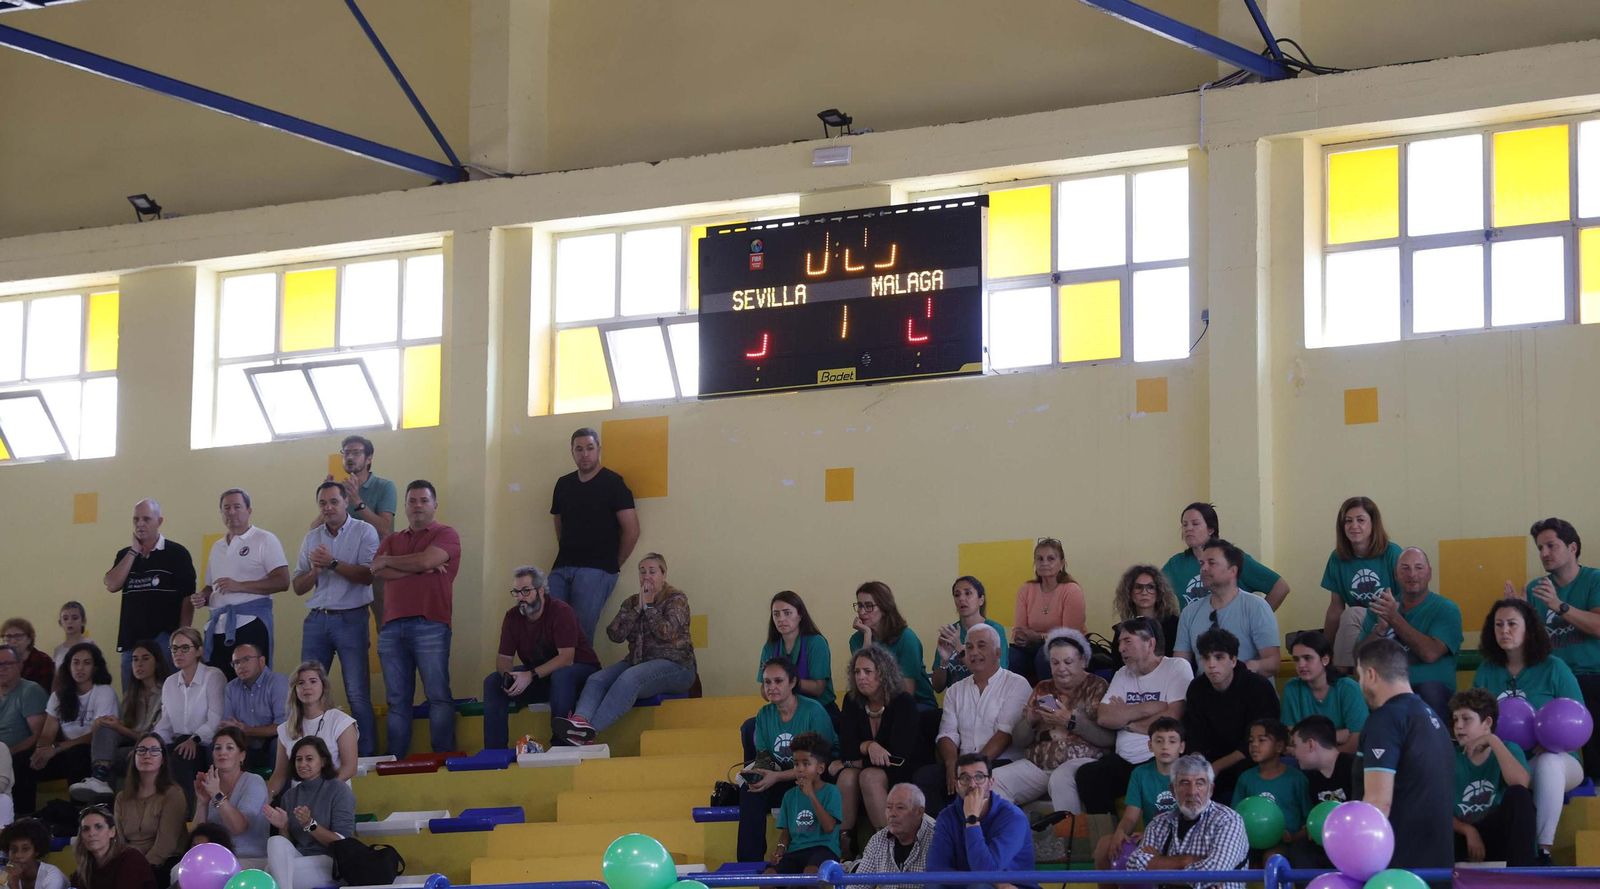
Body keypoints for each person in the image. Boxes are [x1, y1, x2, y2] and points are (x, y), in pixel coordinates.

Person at [1470, 597, 1582, 863]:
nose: (1504, 630)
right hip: (1505, 759)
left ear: (1529, 629)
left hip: (1558, 757)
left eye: (1512, 624)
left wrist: (1555, 741)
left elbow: (1578, 719)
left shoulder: (1555, 667)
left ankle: (1542, 850)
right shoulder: (1487, 670)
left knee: (1549, 763)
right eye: (1498, 625)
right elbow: (1474, 718)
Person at [556, 553, 696, 746]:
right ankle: (580, 722)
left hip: (677, 667)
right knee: (597, 679)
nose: (646, 576)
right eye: (642, 571)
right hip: (638, 661)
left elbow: (667, 632)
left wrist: (649, 606)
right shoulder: (632, 602)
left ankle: (589, 731)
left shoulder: (676, 599)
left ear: (663, 575)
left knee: (630, 678)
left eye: (652, 571)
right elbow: (614, 634)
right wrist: (637, 609)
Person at [372, 480, 461, 756]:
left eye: (424, 500)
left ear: (435, 505)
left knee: (437, 696)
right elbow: (377, 569)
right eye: (412, 500)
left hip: (431, 623)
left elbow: (424, 561)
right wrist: (420, 565)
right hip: (391, 627)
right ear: (406, 506)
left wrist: (395, 562)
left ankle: (443, 758)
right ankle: (397, 761)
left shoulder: (447, 533)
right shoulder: (391, 539)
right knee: (397, 701)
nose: (418, 505)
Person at [291, 480, 379, 757]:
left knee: (357, 694)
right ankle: (313, 758)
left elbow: (369, 575)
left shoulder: (365, 531)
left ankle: (365, 758)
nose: (328, 508)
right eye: (322, 503)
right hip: (317, 620)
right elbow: (297, 586)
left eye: (333, 502)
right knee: (308, 693)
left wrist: (332, 563)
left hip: (352, 618)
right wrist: (315, 572)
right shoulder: (311, 537)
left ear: (346, 503)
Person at [1355, 637, 1454, 870]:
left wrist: (1357, 862)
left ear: (1370, 674)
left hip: (1399, 870)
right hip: (1438, 868)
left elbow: (1379, 803)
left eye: (1359, 676)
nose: (1359, 684)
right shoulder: (1433, 718)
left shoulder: (1385, 720)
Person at [1076, 617, 1191, 816]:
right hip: (1124, 760)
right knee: (1088, 776)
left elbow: (1172, 717)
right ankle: (1107, 839)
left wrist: (1126, 720)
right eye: (1120, 642)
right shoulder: (1123, 673)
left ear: (1150, 643)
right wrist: (1147, 708)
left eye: (1127, 641)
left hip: (1157, 757)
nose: (1120, 648)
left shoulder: (1175, 667)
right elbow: (1104, 717)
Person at [991, 630, 1113, 815]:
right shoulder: (1042, 687)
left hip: (1080, 762)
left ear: (1083, 661)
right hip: (1039, 764)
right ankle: (1009, 838)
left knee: (1061, 778)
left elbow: (1108, 738)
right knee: (994, 781)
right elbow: (1019, 740)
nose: (1061, 668)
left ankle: (1071, 840)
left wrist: (1070, 721)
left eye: (1068, 662)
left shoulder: (1097, 686)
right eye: (1055, 663)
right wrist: (1030, 720)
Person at [484, 565, 601, 750]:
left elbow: (566, 658)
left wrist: (529, 675)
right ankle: (494, 752)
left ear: (540, 591)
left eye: (525, 591)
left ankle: (561, 745)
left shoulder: (561, 611)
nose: (521, 597)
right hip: (542, 675)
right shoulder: (512, 617)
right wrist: (509, 677)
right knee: (493, 682)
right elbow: (503, 658)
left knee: (562, 675)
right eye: (516, 592)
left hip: (578, 673)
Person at [1518, 517, 1600, 778]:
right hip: (1549, 678)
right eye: (1540, 548)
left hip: (1591, 674)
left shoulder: (1594, 580)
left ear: (1572, 547)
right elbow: (1530, 647)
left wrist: (1559, 606)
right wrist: (1517, 617)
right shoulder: (1535, 589)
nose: (1544, 553)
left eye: (1551, 546)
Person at [919, 625, 1031, 815]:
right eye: (969, 647)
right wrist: (951, 763)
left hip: (999, 763)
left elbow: (1005, 735)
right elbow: (947, 733)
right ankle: (938, 838)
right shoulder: (955, 690)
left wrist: (971, 769)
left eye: (981, 646)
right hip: (962, 763)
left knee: (971, 784)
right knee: (925, 778)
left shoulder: (1016, 684)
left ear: (997, 652)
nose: (974, 652)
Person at [737, 657, 837, 863]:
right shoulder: (764, 714)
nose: (771, 687)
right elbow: (765, 757)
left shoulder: (813, 711)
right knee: (751, 791)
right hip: (783, 777)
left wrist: (776, 777)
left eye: (778, 681)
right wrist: (758, 774)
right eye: (767, 682)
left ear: (792, 683)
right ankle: (748, 863)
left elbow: (817, 764)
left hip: (816, 778)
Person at [549, 427, 641, 641]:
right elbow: (558, 521)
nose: (585, 454)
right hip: (562, 567)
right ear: (572, 452)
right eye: (579, 449)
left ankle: (579, 674)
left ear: (599, 449)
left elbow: (632, 530)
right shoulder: (563, 484)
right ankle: (553, 675)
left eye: (590, 448)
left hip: (597, 569)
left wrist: (613, 564)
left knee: (580, 635)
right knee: (550, 629)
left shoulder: (613, 483)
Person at [1355, 546, 1462, 718]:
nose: (1412, 574)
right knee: (1356, 691)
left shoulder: (1446, 609)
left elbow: (1430, 653)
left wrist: (1393, 618)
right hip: (1385, 690)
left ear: (1429, 573)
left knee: (1430, 691)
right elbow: (1360, 658)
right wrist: (1380, 630)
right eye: (1405, 568)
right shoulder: (1380, 606)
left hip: (1431, 692)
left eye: (1419, 568)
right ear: (1396, 575)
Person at [102, 499, 196, 694]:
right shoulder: (125, 555)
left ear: (159, 521)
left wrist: (182, 635)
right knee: (132, 700)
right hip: (131, 644)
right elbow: (112, 584)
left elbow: (188, 597)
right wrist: (134, 551)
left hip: (165, 640)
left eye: (146, 519)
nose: (140, 524)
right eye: (136, 519)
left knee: (168, 696)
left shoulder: (177, 553)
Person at [194, 490, 289, 681]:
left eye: (237, 506)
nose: (231, 512)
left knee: (251, 683)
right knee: (218, 683)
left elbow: (283, 581)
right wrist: (202, 597)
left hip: (250, 622)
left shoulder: (264, 539)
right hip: (218, 626)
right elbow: (211, 586)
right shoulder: (217, 547)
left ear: (249, 510)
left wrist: (240, 586)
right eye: (226, 508)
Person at [835, 645, 924, 846]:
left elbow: (898, 754)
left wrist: (855, 758)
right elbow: (846, 747)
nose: (861, 677)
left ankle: (890, 845)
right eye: (857, 672)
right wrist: (868, 746)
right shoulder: (851, 700)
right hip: (871, 766)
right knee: (847, 776)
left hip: (903, 770)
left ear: (883, 674)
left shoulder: (903, 702)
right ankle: (843, 845)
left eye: (868, 672)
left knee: (868, 776)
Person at [1181, 629, 1279, 803]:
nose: (1211, 664)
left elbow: (1260, 741)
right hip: (1211, 761)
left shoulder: (1258, 687)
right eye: (1206, 658)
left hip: (1251, 759)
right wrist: (1198, 763)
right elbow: (1195, 734)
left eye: (1218, 657)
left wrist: (1216, 767)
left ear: (1233, 660)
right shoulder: (1197, 688)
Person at [1123, 755, 1248, 889]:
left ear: (1210, 789)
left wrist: (1158, 863)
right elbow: (1133, 865)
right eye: (1184, 783)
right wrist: (1186, 861)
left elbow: (1214, 873)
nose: (1192, 791)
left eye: (1200, 783)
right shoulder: (1158, 823)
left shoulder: (1228, 820)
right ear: (1172, 790)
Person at [1449, 688, 1535, 866]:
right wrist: (1468, 830)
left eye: (1466, 719)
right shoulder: (1449, 756)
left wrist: (1493, 741)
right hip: (1463, 836)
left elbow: (1520, 783)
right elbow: (1436, 808)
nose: (1458, 726)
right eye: (1455, 719)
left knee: (1519, 796)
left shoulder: (1508, 748)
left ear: (1487, 722)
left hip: (1497, 833)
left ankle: (1523, 875)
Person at [320, 435, 398, 627]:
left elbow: (385, 529)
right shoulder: (339, 491)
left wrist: (357, 501)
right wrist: (328, 501)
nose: (350, 457)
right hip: (346, 568)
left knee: (387, 627)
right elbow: (314, 528)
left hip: (378, 567)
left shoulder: (384, 486)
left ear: (369, 458)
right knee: (351, 634)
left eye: (356, 452)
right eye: (346, 452)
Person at [925, 753, 1035, 889]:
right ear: (956, 784)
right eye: (964, 778)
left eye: (979, 777)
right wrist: (996, 882)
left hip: (1013, 886)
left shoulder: (1013, 817)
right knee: (933, 885)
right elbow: (935, 869)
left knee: (979, 886)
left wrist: (972, 820)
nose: (972, 784)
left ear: (991, 783)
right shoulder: (946, 816)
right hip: (978, 885)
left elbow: (986, 873)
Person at [1173, 540, 1279, 678]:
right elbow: (1180, 664)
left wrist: (1241, 670)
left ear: (1232, 570)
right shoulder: (1189, 613)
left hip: (1249, 692)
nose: (1204, 568)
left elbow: (1273, 662)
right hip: (1206, 695)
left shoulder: (1256, 607)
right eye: (1202, 563)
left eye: (1211, 563)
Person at [1094, 716, 1184, 875]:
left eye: (1172, 741)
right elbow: (1130, 817)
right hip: (1149, 838)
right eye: (1159, 741)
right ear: (1150, 745)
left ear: (1181, 747)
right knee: (1105, 845)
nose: (1165, 746)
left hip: (1181, 837)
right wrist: (1120, 832)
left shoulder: (1190, 773)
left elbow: (1192, 819)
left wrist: (1157, 835)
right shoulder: (1140, 774)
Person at [78, 639, 167, 800]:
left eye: (145, 659)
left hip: (156, 749)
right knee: (105, 731)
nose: (139, 664)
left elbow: (158, 737)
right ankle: (100, 781)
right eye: (135, 659)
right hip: (130, 747)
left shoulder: (166, 692)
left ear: (157, 663)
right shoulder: (131, 695)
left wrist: (120, 728)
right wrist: (105, 724)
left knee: (109, 756)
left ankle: (101, 783)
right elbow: (124, 733)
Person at [264, 737, 357, 889]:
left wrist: (310, 824)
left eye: (309, 759)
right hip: (300, 858)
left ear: (323, 761)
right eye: (298, 759)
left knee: (271, 873)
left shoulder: (339, 790)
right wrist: (284, 826)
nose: (302, 764)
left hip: (331, 861)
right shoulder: (290, 796)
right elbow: (288, 846)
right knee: (275, 842)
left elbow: (342, 842)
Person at [1322, 496, 1403, 668]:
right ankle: (1343, 673)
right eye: (1348, 521)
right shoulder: (1337, 558)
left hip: (1391, 620)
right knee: (1351, 616)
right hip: (1358, 625)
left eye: (1361, 520)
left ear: (1373, 523)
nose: (1354, 526)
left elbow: (1405, 601)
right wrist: (1325, 648)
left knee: (1352, 614)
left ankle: (1344, 673)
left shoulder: (1392, 553)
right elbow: (1335, 608)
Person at [1162, 503, 1290, 610]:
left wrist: (1256, 619)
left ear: (1211, 529)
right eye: (1184, 524)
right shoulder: (1176, 564)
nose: (1188, 529)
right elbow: (1153, 591)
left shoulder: (1232, 558)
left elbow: (1280, 587)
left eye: (1195, 524)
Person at [152, 627, 226, 812]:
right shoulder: (170, 682)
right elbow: (166, 722)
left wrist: (194, 739)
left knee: (181, 756)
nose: (178, 653)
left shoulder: (213, 676)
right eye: (174, 649)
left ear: (199, 650)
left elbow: (216, 719)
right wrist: (150, 744)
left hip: (205, 742)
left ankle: (186, 814)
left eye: (185, 648)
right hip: (179, 740)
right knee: (147, 756)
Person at [30, 643, 117, 796]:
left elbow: (98, 735)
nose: (80, 668)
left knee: (77, 753)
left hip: (93, 753)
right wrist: (41, 751)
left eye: (86, 663)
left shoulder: (104, 692)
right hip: (65, 751)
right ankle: (24, 816)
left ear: (95, 667)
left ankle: (80, 812)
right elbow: (47, 734)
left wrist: (57, 748)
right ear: (68, 666)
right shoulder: (58, 696)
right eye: (75, 662)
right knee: (24, 761)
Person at [268, 661, 357, 797]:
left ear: (323, 686)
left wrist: (319, 791)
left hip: (334, 797)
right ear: (294, 689)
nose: (307, 687)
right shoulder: (285, 729)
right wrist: (265, 799)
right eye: (301, 683)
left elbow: (349, 768)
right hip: (300, 801)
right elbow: (279, 774)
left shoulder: (341, 721)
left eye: (313, 681)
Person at [1284, 716, 1359, 870]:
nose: (1294, 753)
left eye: (1296, 745)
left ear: (1311, 744)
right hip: (1325, 843)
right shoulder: (1310, 778)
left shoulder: (1355, 768)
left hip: (1356, 841)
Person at [1008, 539, 1086, 684]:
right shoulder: (1026, 589)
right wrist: (1020, 636)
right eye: (1040, 559)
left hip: (1065, 646)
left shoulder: (1071, 590)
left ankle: (1050, 703)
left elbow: (1070, 635)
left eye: (1051, 558)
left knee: (1045, 656)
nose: (1044, 563)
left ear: (1061, 563)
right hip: (1031, 646)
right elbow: (1018, 629)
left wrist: (1039, 637)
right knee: (1010, 657)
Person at [113, 732, 187, 882]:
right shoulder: (121, 797)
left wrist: (137, 868)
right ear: (133, 757)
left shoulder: (173, 794)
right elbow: (119, 841)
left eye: (154, 750)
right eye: (141, 750)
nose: (147, 755)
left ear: (163, 760)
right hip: (130, 862)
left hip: (163, 862)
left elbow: (166, 845)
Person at [849, 583, 935, 709]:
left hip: (916, 704)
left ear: (884, 608)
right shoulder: (857, 640)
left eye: (869, 606)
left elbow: (907, 692)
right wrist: (867, 636)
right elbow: (864, 683)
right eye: (860, 606)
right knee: (851, 705)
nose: (862, 612)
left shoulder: (906, 638)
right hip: (876, 702)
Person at [766, 732, 842, 875]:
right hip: (796, 851)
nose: (800, 769)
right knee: (768, 877)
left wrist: (811, 795)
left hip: (823, 849)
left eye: (806, 764)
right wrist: (780, 850)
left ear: (820, 768)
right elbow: (786, 832)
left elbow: (829, 827)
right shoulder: (789, 796)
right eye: (796, 764)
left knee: (811, 873)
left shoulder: (832, 792)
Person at [1280, 631, 1366, 754]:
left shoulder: (1348, 688)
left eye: (1307, 658)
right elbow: (1291, 739)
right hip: (1304, 762)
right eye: (1296, 659)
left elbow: (1357, 740)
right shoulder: (1292, 688)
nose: (1301, 665)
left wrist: (1321, 755)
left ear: (1325, 659)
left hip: (1344, 760)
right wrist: (1337, 735)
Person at [1231, 719, 1308, 853]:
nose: (1254, 745)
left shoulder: (1297, 779)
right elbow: (1234, 817)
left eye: (1261, 740)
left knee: (1272, 858)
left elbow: (1309, 821)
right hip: (1248, 844)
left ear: (1279, 746)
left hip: (1285, 845)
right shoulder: (1245, 778)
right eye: (1251, 741)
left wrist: (1293, 837)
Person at [195, 726, 268, 864]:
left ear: (242, 755)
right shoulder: (212, 784)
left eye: (229, 748)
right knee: (177, 871)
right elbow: (198, 836)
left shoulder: (254, 782)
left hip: (248, 858)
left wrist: (216, 794)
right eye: (217, 748)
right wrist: (202, 802)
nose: (222, 752)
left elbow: (238, 827)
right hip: (215, 858)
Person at [844, 783, 935, 889]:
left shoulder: (936, 839)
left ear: (919, 812)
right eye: (888, 807)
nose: (892, 814)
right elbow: (858, 886)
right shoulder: (878, 840)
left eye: (900, 808)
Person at [761, 591, 837, 710]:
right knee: (748, 727)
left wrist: (787, 683)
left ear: (800, 615)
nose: (781, 619)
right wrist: (773, 687)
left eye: (787, 613)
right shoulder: (769, 647)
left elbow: (819, 689)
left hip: (819, 708)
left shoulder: (816, 643)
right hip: (783, 709)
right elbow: (764, 691)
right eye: (776, 614)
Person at [218, 643, 288, 772]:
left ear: (261, 661)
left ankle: (276, 791)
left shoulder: (277, 682)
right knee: (220, 745)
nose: (241, 666)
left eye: (246, 660)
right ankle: (228, 791)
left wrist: (247, 730)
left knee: (278, 743)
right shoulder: (231, 688)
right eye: (236, 663)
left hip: (272, 741)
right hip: (244, 741)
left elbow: (283, 726)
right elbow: (228, 725)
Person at [932, 577, 1008, 693]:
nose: (962, 599)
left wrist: (960, 649)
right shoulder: (950, 633)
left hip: (988, 699)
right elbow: (937, 687)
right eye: (957, 595)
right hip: (957, 700)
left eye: (968, 593)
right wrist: (943, 662)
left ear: (981, 600)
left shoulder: (994, 630)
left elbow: (994, 678)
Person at [0, 645, 48, 815]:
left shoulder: (30, 691)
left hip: (20, 752)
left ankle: (22, 821)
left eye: (7, 664)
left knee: (20, 763)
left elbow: (38, 735)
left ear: (19, 665)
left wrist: (7, 752)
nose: (2, 669)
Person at [72, 804, 157, 889]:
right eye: (86, 829)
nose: (91, 833)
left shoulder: (131, 858)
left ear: (112, 832)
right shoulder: (84, 870)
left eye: (98, 827)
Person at [1109, 566, 1179, 668]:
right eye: (1138, 587)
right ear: (1129, 593)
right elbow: (1118, 669)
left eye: (1150, 587)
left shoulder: (1174, 625)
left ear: (1159, 592)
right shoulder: (1122, 630)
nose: (1144, 592)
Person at [1, 818, 67, 889]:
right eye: (13, 850)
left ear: (37, 851)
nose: (18, 855)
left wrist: (14, 884)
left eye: (25, 849)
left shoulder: (52, 875)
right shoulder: (5, 874)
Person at [1, 622, 53, 693]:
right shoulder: (3, 659)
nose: (13, 641)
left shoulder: (42, 660)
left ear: (29, 639)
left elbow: (44, 690)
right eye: (8, 637)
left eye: (18, 637)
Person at [52, 603, 88, 668]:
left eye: (74, 618)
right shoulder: (58, 650)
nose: (69, 622)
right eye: (65, 618)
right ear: (60, 623)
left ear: (83, 621)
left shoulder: (90, 645)